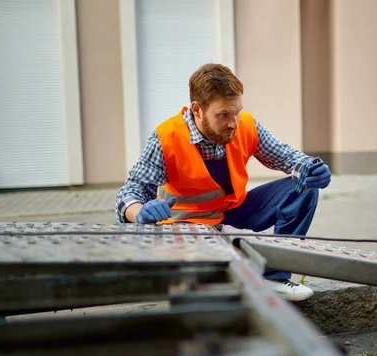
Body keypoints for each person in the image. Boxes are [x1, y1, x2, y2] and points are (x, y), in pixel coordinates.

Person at [115, 63, 332, 301]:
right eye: (223, 115)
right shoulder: (166, 138)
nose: (233, 123)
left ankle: (275, 277)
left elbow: (288, 158)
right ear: (197, 110)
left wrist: (311, 168)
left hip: (233, 209)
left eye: (236, 112)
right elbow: (131, 191)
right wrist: (139, 213)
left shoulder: (244, 125)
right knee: (206, 292)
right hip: (187, 224)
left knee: (303, 188)